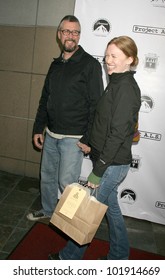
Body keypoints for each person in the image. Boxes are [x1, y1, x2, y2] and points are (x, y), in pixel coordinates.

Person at [48, 35, 141, 260]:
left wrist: (98, 171)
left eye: (114, 56)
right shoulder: (116, 81)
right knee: (112, 211)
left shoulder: (126, 88)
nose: (108, 60)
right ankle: (119, 256)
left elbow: (118, 134)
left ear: (130, 59)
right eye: (107, 55)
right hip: (107, 161)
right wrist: (90, 142)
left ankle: (68, 258)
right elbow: (104, 121)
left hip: (110, 166)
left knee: (87, 215)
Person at [27, 15, 103, 221]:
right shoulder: (56, 64)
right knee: (48, 179)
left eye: (75, 32)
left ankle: (72, 222)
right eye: (66, 31)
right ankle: (48, 209)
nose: (71, 36)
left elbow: (96, 105)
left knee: (67, 184)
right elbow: (45, 99)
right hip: (51, 133)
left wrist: (87, 138)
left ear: (79, 36)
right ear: (59, 35)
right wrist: (37, 128)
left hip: (74, 138)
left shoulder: (90, 65)